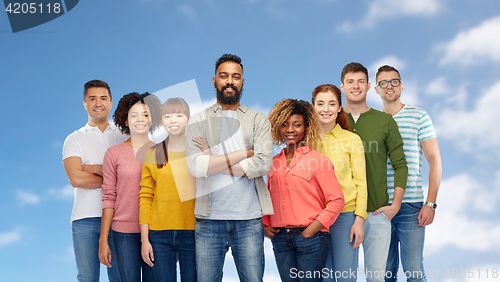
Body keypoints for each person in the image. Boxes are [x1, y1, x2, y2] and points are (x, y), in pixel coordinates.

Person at [185, 53, 274, 282]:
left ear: (242, 82)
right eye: (223, 76)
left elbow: (263, 163)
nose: (230, 81)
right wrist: (244, 154)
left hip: (249, 220)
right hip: (208, 220)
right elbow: (196, 167)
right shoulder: (197, 121)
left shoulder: (258, 120)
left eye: (236, 77)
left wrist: (212, 159)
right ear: (214, 81)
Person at [340, 62, 408, 282]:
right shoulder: (332, 120)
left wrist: (395, 205)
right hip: (341, 213)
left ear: (369, 86)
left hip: (377, 212)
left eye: (361, 81)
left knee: (377, 278)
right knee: (342, 278)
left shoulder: (384, 121)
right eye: (350, 82)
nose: (356, 86)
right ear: (342, 86)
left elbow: (400, 164)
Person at [263, 99, 345, 282]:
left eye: (297, 124)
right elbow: (267, 197)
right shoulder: (272, 163)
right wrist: (265, 226)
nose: (290, 129)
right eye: (284, 124)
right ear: (277, 127)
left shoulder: (318, 160)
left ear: (306, 127)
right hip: (280, 239)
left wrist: (311, 230)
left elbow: (337, 200)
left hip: (311, 238)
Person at [375, 65, 442, 282]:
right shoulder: (372, 120)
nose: (389, 86)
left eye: (394, 81)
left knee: (413, 271)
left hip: (412, 206)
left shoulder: (418, 116)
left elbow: (435, 161)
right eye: (383, 83)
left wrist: (430, 204)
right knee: (385, 272)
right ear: (376, 89)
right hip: (379, 207)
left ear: (402, 86)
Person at [62, 79, 125, 282]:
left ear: (111, 102)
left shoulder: (124, 136)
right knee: (87, 278)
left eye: (103, 98)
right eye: (92, 98)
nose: (98, 103)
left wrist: (93, 169)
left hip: (120, 218)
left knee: (121, 277)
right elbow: (76, 178)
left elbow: (132, 176)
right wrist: (115, 177)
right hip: (84, 219)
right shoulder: (73, 139)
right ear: (84, 104)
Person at [99, 92, 161, 282]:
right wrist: (103, 240)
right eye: (134, 115)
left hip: (157, 231)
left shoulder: (162, 152)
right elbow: (109, 197)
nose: (140, 119)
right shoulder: (113, 153)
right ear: (125, 121)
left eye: (145, 114)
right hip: (123, 233)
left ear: (153, 119)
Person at [311, 84, 367, 282]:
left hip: (345, 218)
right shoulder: (305, 141)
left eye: (332, 103)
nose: (326, 109)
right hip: (315, 219)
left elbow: (361, 183)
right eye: (320, 103)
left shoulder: (352, 140)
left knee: (345, 278)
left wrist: (358, 220)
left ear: (339, 108)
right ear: (313, 107)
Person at [139, 97, 197, 282]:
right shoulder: (152, 154)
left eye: (179, 115)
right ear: (162, 121)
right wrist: (145, 239)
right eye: (168, 116)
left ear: (188, 118)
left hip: (193, 231)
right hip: (159, 235)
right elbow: (145, 197)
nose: (173, 120)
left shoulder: (199, 152)